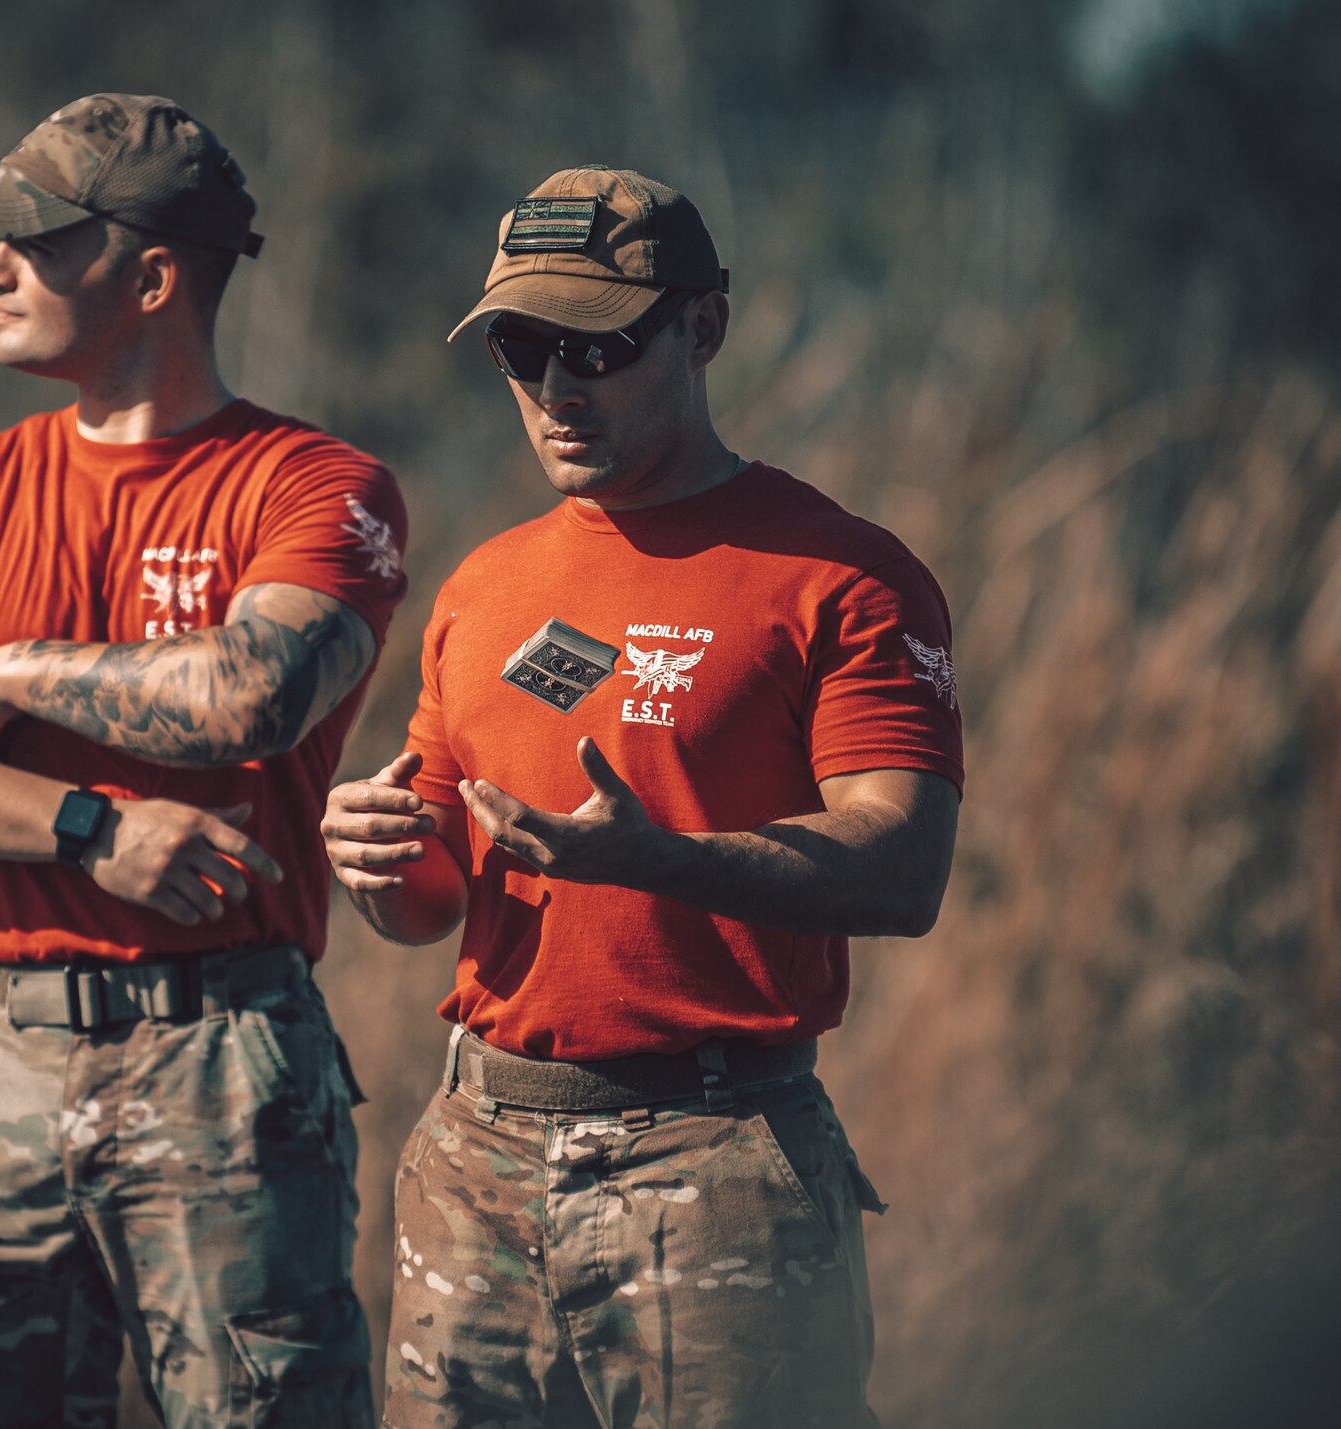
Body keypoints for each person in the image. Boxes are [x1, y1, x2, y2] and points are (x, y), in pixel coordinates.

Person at [0, 93, 406, 1429]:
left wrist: (5, 672)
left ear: (153, 275)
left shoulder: (318, 487)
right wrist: (87, 825)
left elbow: (254, 693)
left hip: (226, 1054)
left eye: (33, 238)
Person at [322, 166, 963, 1428]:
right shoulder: (484, 581)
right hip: (474, 1154)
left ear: (701, 328)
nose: (555, 388)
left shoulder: (843, 577)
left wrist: (663, 858)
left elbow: (901, 865)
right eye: (520, 346)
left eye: (596, 346)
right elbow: (435, 900)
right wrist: (382, 862)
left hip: (714, 1159)